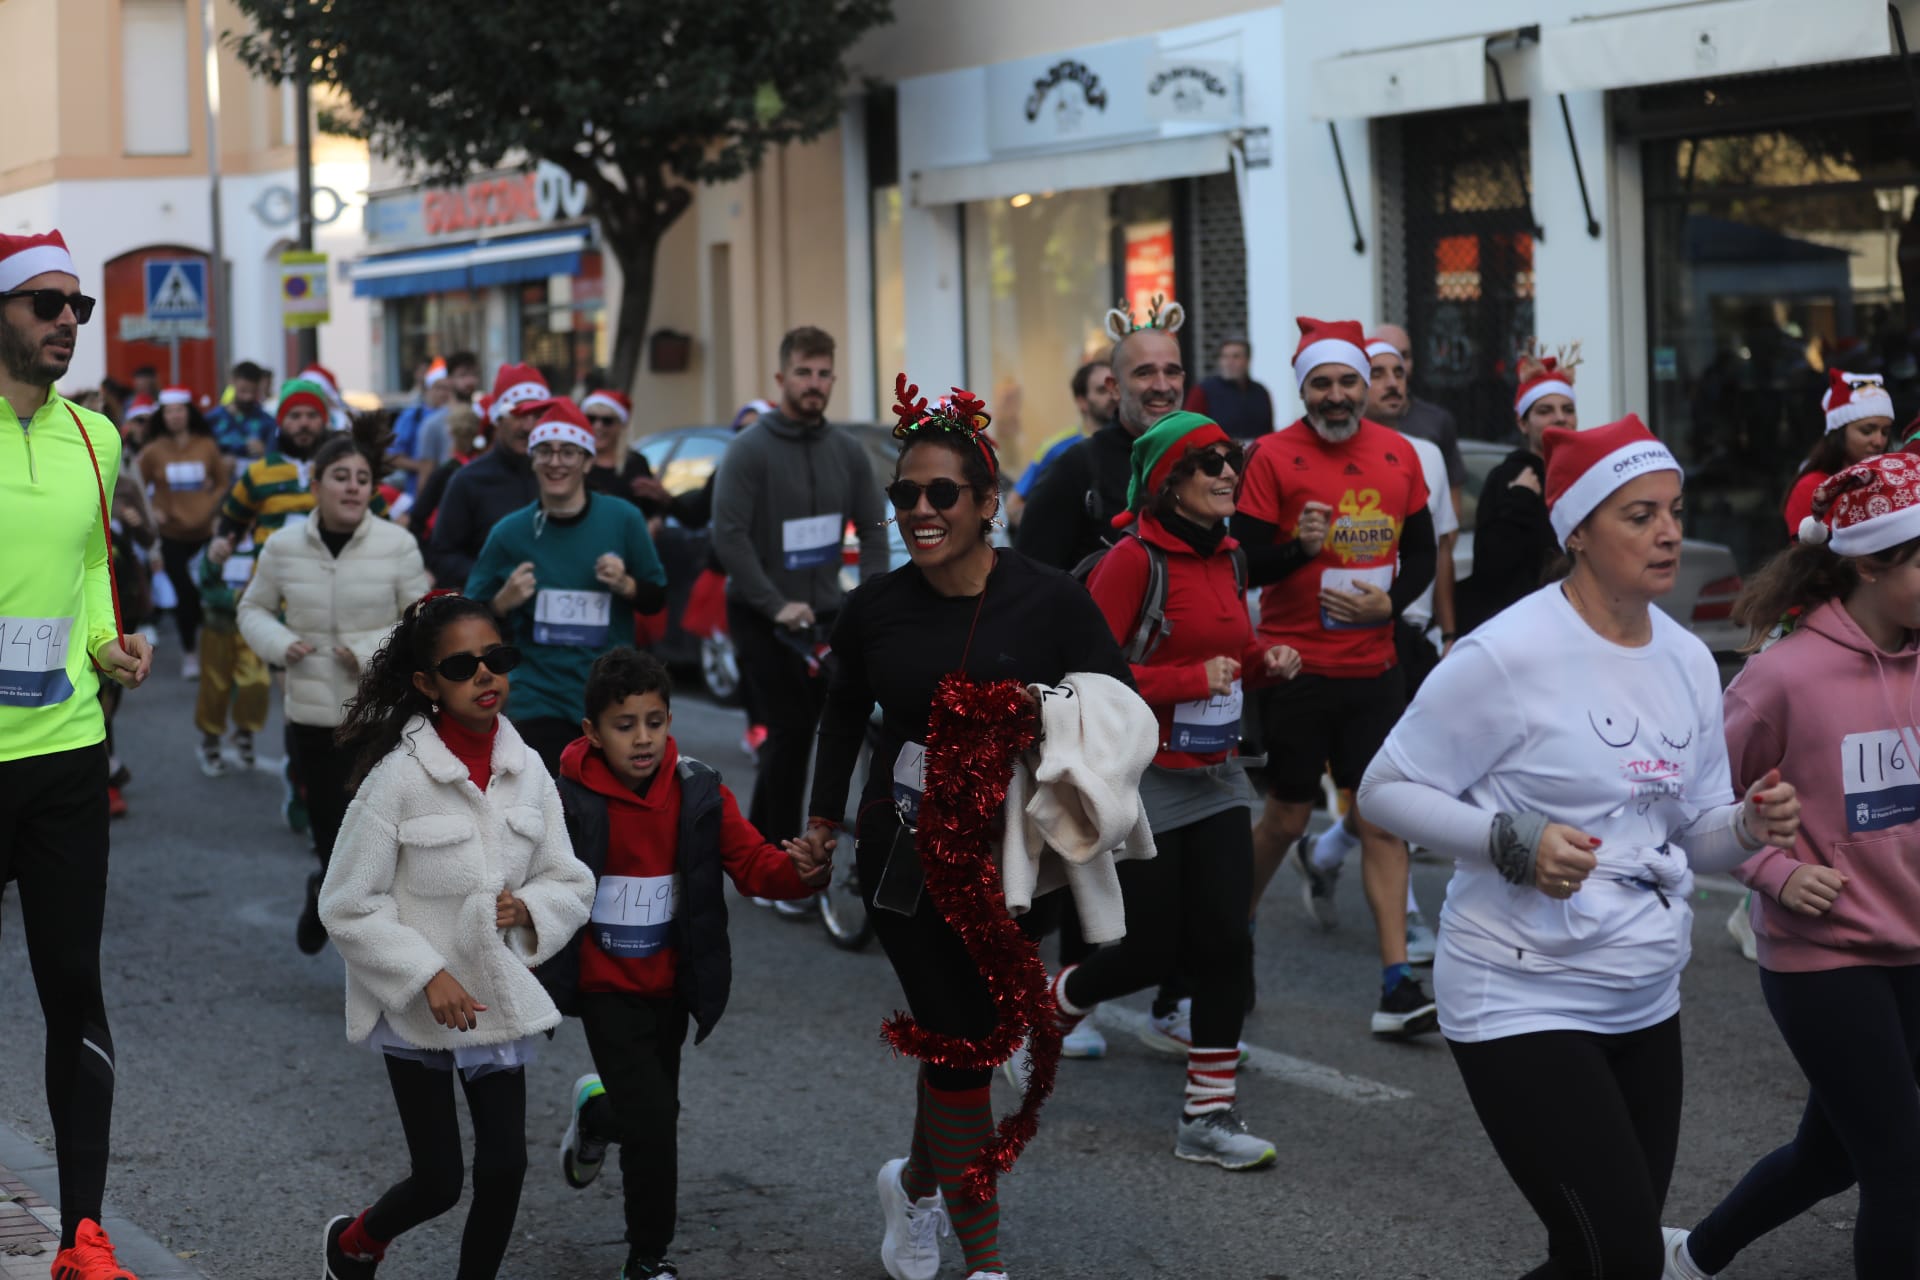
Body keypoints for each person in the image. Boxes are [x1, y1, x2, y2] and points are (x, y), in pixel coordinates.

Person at [1356, 413, 1803, 1280]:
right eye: (1639, 514)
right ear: (1580, 531)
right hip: (1518, 990)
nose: (1670, 531)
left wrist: (1749, 824)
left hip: (1643, 994)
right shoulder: (1508, 654)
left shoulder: (1683, 659)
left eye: (1674, 509)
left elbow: (1692, 833)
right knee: (1623, 1255)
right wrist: (1512, 840)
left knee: (1598, 1259)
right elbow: (1384, 790)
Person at [801, 377, 1135, 1280]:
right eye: (905, 494)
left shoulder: (1052, 601)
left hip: (1017, 856)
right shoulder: (875, 607)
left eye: (941, 493)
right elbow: (840, 714)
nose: (919, 509)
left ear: (988, 504)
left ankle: (913, 1184)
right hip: (903, 846)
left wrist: (1033, 719)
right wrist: (823, 823)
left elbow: (1113, 704)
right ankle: (985, 1264)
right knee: (954, 1033)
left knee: (977, 1032)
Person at [1664, 450, 1920, 1280]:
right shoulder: (1781, 677)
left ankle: (1693, 1258)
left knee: (1833, 1156)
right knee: (1899, 1166)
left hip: (1914, 943)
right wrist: (1774, 875)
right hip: (1825, 956)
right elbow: (1694, 810)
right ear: (1873, 565)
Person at [318, 593, 595, 1280]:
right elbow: (347, 904)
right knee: (439, 1180)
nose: (484, 675)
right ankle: (354, 1243)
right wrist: (424, 975)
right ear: (426, 684)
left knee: (505, 1167)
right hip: (414, 1005)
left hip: (493, 997)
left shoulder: (527, 767)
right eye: (463, 665)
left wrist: (527, 908)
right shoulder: (397, 781)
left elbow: (570, 879)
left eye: (496, 658)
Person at [1064, 411, 1301, 1170]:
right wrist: (1188, 681)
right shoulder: (1134, 560)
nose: (1230, 474)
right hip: (1145, 778)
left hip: (1220, 774)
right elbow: (1087, 674)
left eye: (1232, 461)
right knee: (1147, 953)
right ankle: (1048, 1007)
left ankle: (1207, 1117)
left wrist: (1268, 662)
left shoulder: (1229, 557)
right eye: (1211, 465)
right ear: (1168, 483)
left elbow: (1233, 649)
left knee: (1227, 941)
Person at [546, 648, 828, 1280]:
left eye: (655, 721)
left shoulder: (699, 790)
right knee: (653, 1124)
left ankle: (597, 1114)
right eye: (625, 725)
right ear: (591, 733)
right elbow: (532, 879)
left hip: (671, 982)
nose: (642, 738)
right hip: (602, 984)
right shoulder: (562, 799)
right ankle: (647, 1258)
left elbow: (754, 865)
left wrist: (805, 873)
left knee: (650, 1112)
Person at [0, 227, 155, 1280]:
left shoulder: (96, 437)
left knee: (73, 986)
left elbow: (96, 564)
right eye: (47, 303)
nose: (67, 322)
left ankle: (83, 1233)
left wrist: (108, 641)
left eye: (79, 309)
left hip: (65, 750)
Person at [1231, 316, 1437, 1037]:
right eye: (1322, 383)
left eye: (1349, 380)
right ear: (1304, 390)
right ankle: (1238, 933)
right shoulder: (1271, 457)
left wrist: (1394, 602)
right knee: (1287, 816)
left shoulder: (1400, 454)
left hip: (1373, 667)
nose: (1338, 394)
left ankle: (1396, 984)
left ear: (1367, 383)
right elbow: (1245, 562)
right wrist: (1298, 548)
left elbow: (1422, 555)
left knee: (1382, 818)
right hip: (1295, 670)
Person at [1285, 335, 1458, 962]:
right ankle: (1406, 920)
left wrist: (1446, 629)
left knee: (1409, 780)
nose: (1386, 382)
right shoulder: (1289, 455)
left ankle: (1326, 850)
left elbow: (1435, 550)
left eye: (1391, 371)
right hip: (1328, 650)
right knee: (1378, 785)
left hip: (1409, 634)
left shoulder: (1428, 455)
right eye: (1374, 371)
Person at [239, 418, 431, 954]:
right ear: (315, 484)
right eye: (340, 476)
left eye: (362, 478)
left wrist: (372, 650)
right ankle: (323, 887)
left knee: (384, 843)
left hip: (383, 720)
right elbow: (251, 608)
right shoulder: (282, 546)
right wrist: (280, 643)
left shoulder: (397, 544)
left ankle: (375, 956)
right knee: (334, 840)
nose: (352, 487)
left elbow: (424, 620)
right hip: (313, 718)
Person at [711, 326, 887, 855]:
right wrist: (773, 603)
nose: (814, 383)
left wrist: (876, 599)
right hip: (762, 615)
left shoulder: (848, 451)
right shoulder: (749, 450)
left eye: (823, 374)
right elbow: (729, 536)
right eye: (804, 373)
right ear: (781, 377)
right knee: (788, 732)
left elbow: (875, 529)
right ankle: (771, 852)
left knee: (839, 729)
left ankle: (828, 837)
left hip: (827, 612)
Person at [467, 398, 668, 775]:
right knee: (548, 811)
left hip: (612, 697)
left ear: (588, 461)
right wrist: (501, 602)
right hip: (539, 698)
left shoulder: (623, 519)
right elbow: (470, 619)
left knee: (611, 820)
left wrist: (627, 585)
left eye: (568, 452)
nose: (555, 462)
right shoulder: (510, 532)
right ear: (533, 460)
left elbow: (656, 598)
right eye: (545, 451)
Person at [1016, 298, 1186, 571]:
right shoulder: (1076, 467)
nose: (1162, 385)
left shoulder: (1200, 457)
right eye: (1145, 373)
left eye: (1172, 372)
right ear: (1114, 387)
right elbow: (1030, 575)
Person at [1456, 347, 1580, 636]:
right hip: (1525, 628)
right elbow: (1490, 569)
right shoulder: (1507, 478)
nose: (1560, 418)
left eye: (1568, 409)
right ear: (1522, 423)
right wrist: (1519, 503)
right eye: (1545, 411)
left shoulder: (1586, 474)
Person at [137, 385, 230, 680]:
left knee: (209, 595)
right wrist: (152, 509)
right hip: (171, 535)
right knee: (185, 596)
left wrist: (211, 504)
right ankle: (190, 653)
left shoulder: (206, 445)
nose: (175, 417)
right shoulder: (153, 451)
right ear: (162, 416)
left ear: (189, 413)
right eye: (169, 412)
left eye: (180, 410)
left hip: (205, 533)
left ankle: (214, 654)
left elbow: (223, 482)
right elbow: (135, 487)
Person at [429, 363, 547, 588]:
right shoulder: (468, 480)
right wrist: (494, 577)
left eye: (537, 414)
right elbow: (441, 556)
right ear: (497, 419)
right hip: (491, 614)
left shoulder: (561, 478)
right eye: (518, 414)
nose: (528, 426)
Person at [187, 533, 268, 778]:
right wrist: (235, 597)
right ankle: (210, 741)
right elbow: (206, 586)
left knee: (256, 682)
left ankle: (244, 732)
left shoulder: (260, 546)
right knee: (215, 686)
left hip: (249, 629)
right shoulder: (212, 549)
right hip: (217, 630)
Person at [1006, 360, 1117, 531]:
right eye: (1102, 390)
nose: (1112, 396)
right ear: (1082, 401)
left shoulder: (1135, 442)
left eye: (1114, 389)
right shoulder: (1056, 447)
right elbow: (1014, 504)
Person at [1782, 369, 1891, 538]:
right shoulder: (1811, 488)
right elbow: (1815, 561)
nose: (1879, 442)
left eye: (1885, 432)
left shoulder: (1889, 482)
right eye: (1867, 431)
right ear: (1839, 433)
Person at [1370, 322, 1465, 515]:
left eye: (1403, 356)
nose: (1392, 381)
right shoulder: (1342, 433)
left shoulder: (1433, 436)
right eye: (1378, 372)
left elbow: (1449, 506)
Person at [412, 403, 485, 553]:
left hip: (446, 550)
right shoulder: (485, 469)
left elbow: (418, 518)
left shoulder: (444, 473)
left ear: (450, 432)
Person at [581, 389, 664, 515]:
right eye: (591, 419)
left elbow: (653, 510)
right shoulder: (574, 462)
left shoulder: (636, 463)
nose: (598, 426)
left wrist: (656, 520)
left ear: (621, 425)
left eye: (607, 421)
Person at [1183, 336, 1274, 440]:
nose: (1229, 362)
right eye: (1224, 357)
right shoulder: (1203, 391)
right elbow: (1190, 431)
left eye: (1236, 357)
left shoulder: (1260, 392)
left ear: (1247, 360)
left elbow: (1269, 432)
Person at [412, 350, 481, 475]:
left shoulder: (483, 416)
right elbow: (426, 474)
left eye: (473, 374)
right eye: (463, 375)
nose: (470, 381)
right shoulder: (433, 424)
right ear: (449, 379)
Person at [392, 358, 452, 493]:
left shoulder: (455, 417)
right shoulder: (413, 416)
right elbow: (393, 457)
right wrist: (425, 467)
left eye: (448, 388)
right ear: (428, 388)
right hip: (418, 493)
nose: (444, 393)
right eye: (439, 387)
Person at [205, 360, 277, 458]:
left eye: (253, 391)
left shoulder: (268, 423)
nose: (248, 397)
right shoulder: (212, 420)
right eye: (243, 390)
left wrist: (265, 452)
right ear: (232, 382)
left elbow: (276, 462)